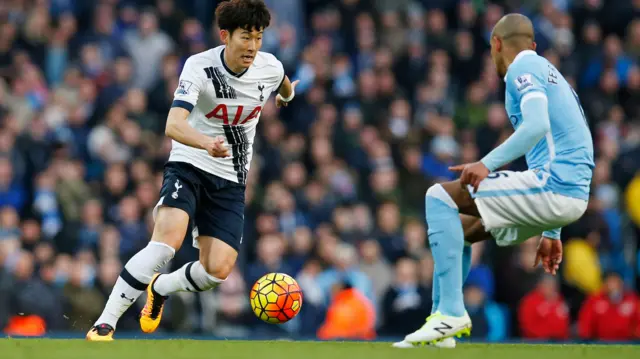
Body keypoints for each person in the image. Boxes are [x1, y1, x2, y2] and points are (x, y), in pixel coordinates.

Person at [86, 0, 299, 341]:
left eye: (259, 38)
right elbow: (173, 125)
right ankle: (104, 323)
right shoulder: (199, 67)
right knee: (165, 245)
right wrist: (205, 143)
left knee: (218, 271)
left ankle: (162, 289)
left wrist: (286, 98)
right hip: (189, 164)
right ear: (225, 35)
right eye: (246, 37)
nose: (253, 46)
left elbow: (284, 82)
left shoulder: (268, 67)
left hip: (231, 178)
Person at [395, 13, 593, 347]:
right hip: (568, 192)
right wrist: (552, 229)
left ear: (496, 45)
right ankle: (440, 330)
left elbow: (536, 126)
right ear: (532, 43)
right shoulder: (554, 75)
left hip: (554, 186)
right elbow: (569, 143)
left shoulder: (521, 68)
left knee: (437, 197)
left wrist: (485, 163)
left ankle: (451, 314)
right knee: (463, 230)